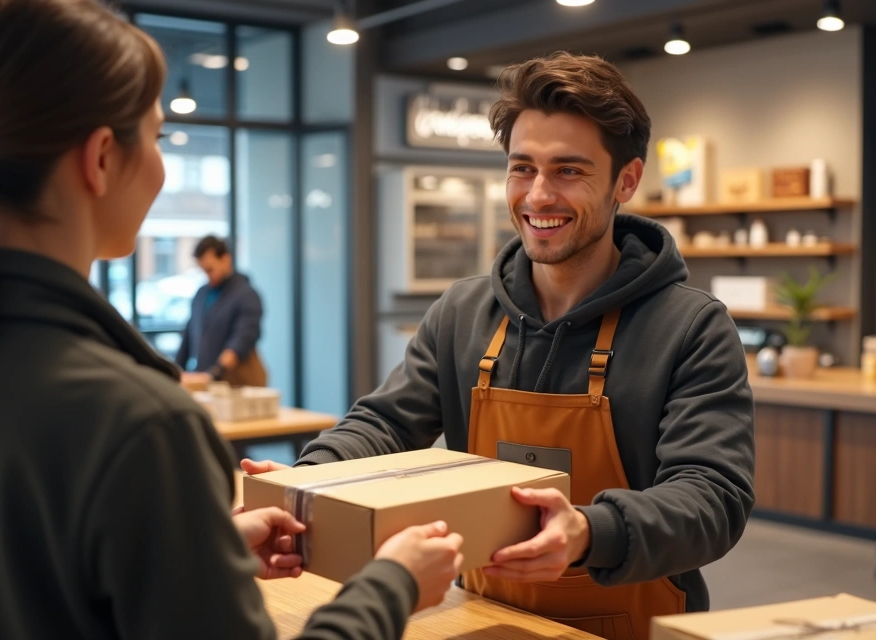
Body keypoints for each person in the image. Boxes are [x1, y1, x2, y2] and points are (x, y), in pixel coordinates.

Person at [0, 0, 464, 638]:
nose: (160, 165)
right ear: (100, 158)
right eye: (157, 137)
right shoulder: (138, 423)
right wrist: (391, 584)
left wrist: (202, 555)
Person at [245, 52, 755, 640]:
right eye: (522, 168)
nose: (538, 195)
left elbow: (712, 498)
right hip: (486, 619)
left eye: (568, 170)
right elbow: (383, 425)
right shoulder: (463, 313)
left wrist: (591, 532)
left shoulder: (690, 327)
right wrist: (306, 484)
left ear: (627, 180)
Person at [175, 235, 268, 387]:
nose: (207, 276)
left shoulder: (246, 294)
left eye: (210, 269)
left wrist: (216, 372)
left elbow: (243, 337)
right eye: (203, 271)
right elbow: (189, 335)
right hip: (207, 378)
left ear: (226, 259)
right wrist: (176, 371)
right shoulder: (201, 294)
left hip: (237, 382)